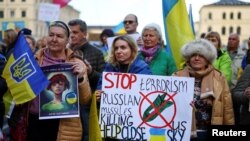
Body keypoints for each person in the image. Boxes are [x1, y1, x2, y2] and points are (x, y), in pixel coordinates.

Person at [26, 20, 92, 141]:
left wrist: (81, 78)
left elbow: (85, 100)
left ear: (67, 41)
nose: (54, 39)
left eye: (59, 36)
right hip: (35, 122)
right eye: (51, 35)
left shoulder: (76, 63)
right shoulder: (33, 60)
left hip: (65, 124)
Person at [173, 39, 234, 141]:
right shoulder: (176, 76)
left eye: (201, 55)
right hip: (182, 132)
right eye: (193, 55)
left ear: (208, 59)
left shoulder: (219, 78)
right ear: (188, 58)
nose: (197, 58)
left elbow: (227, 109)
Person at [68, 19, 105, 141]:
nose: (71, 35)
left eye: (75, 32)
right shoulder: (65, 52)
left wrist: (90, 73)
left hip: (87, 104)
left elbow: (104, 80)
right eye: (70, 32)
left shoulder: (97, 53)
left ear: (84, 33)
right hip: (67, 103)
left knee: (86, 135)